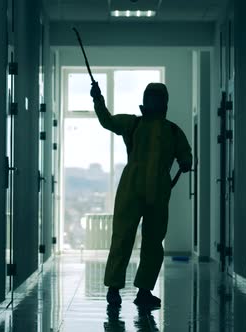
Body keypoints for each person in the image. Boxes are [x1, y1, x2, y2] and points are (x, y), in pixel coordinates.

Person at [90, 81, 193, 308]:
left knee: (153, 242)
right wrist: (98, 100)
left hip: (156, 192)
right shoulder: (133, 123)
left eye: (158, 98)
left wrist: (186, 161)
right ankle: (114, 288)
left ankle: (144, 291)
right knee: (123, 237)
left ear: (164, 102)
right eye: (152, 97)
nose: (155, 102)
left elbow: (186, 153)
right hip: (132, 190)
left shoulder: (172, 131)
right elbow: (107, 120)